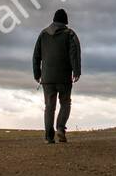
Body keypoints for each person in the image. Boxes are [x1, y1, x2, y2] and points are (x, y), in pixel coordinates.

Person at [32, 8, 80, 144]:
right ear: (65, 22)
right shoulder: (69, 34)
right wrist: (76, 71)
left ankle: (49, 136)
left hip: (47, 78)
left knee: (49, 106)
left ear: (53, 20)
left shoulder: (43, 34)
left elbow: (36, 56)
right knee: (65, 103)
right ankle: (60, 128)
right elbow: (74, 54)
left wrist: (37, 74)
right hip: (64, 77)